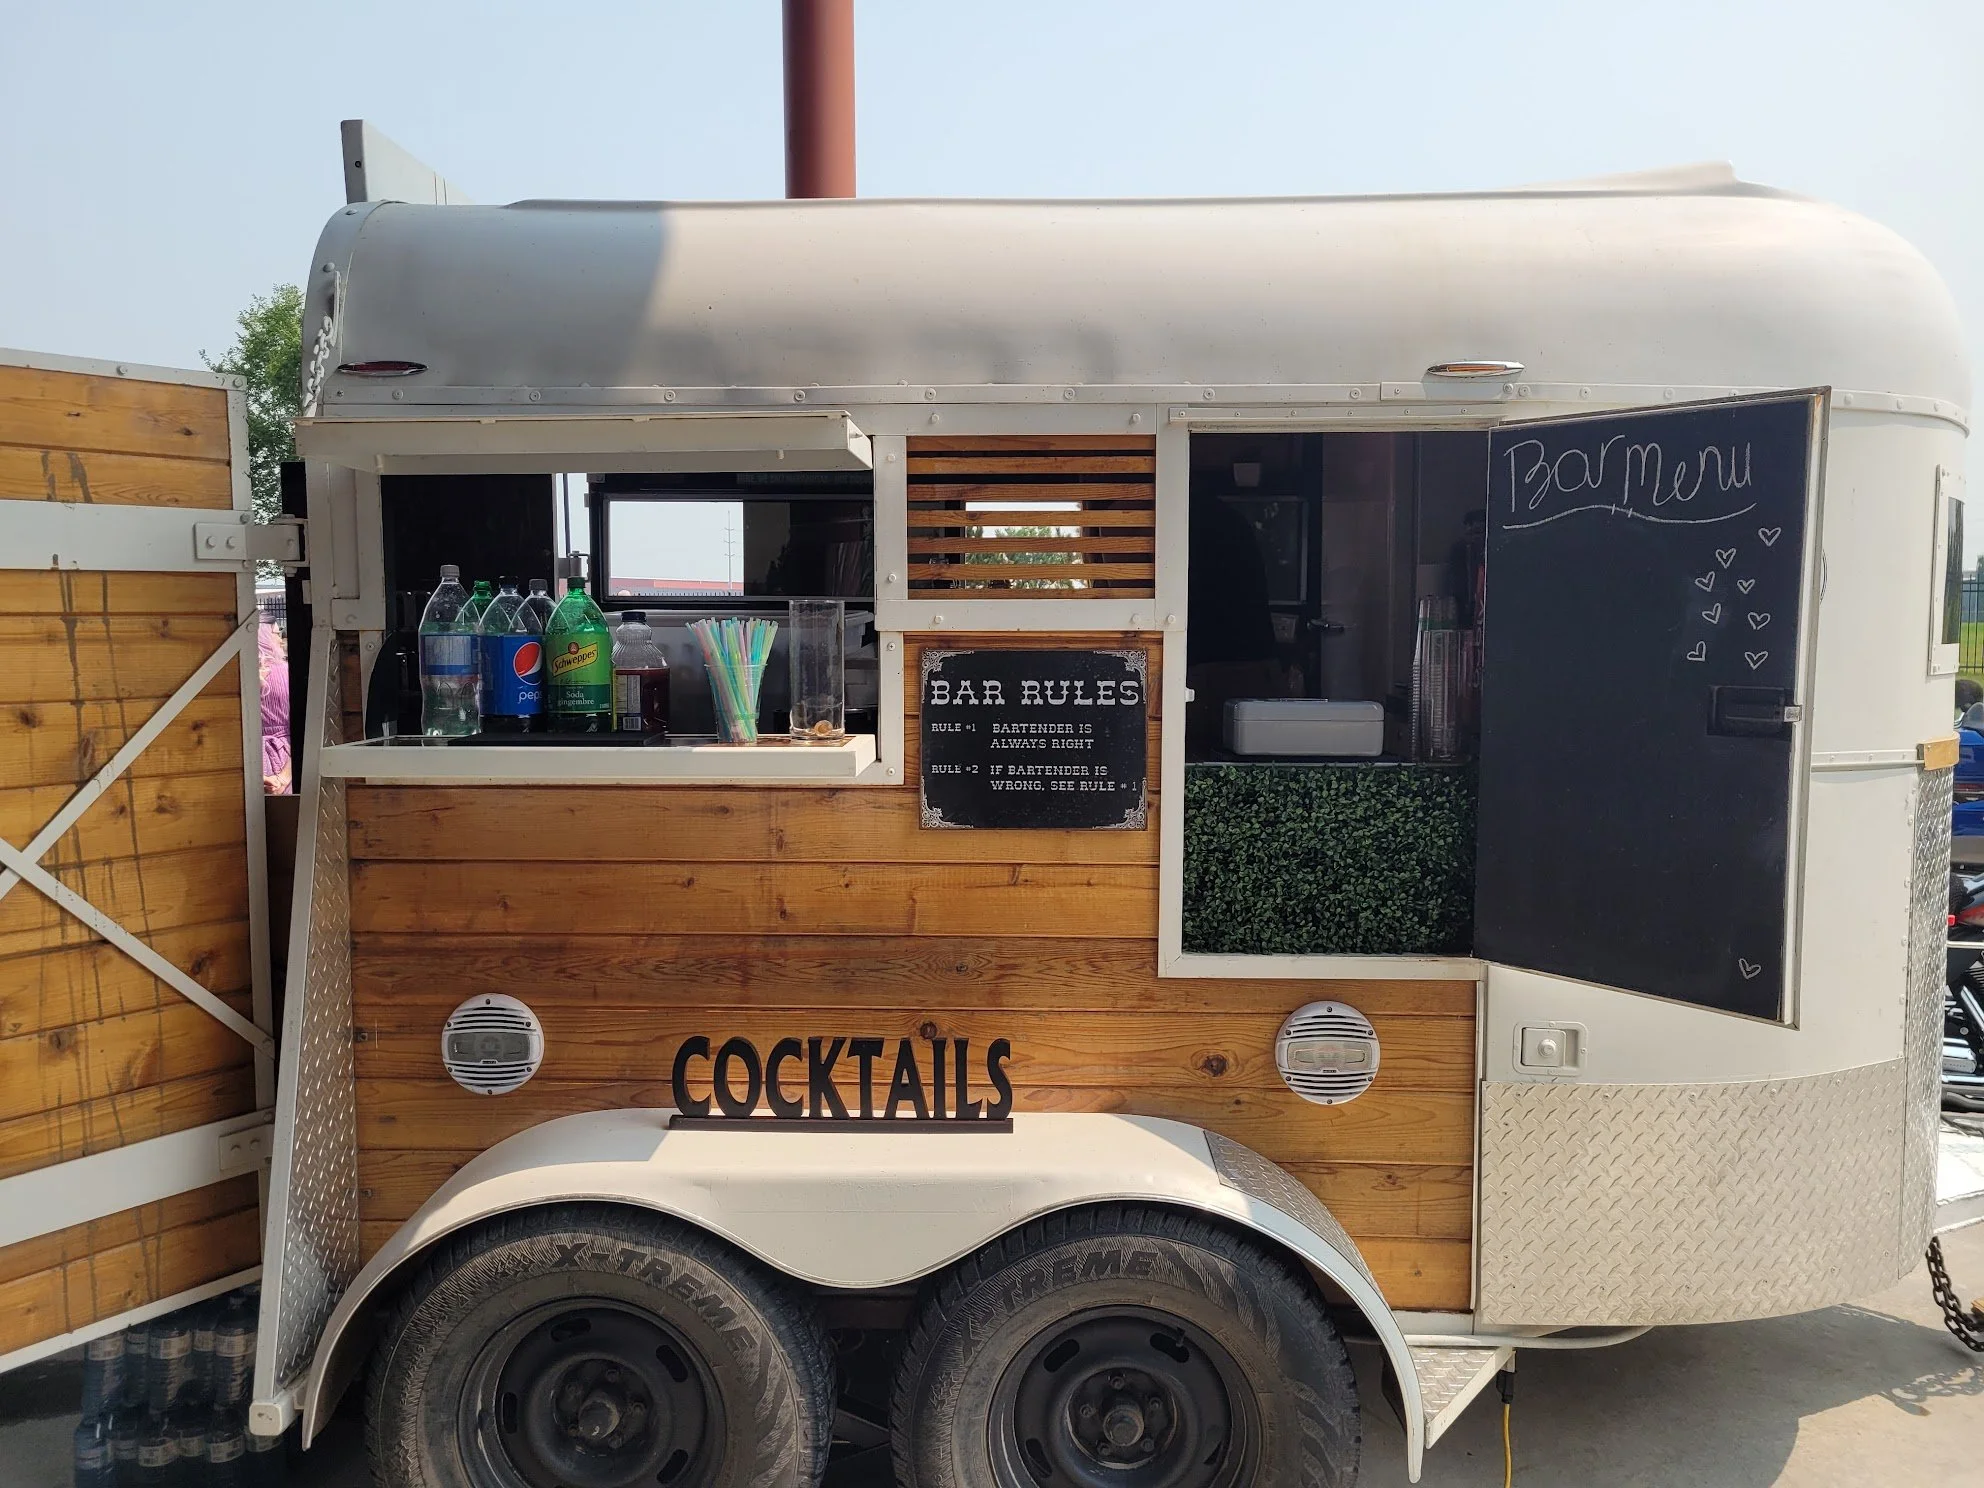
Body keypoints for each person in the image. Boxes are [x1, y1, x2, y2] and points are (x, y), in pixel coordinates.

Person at [260, 616, 291, 793]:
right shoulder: (287, 673)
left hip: (249, 760)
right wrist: (283, 777)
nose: (280, 639)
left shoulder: (237, 677)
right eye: (276, 634)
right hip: (284, 759)